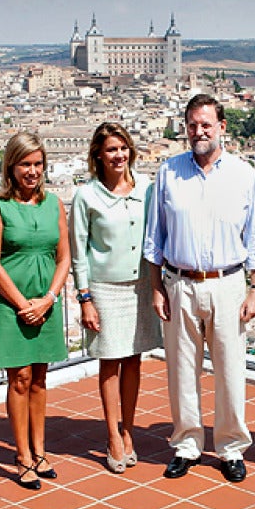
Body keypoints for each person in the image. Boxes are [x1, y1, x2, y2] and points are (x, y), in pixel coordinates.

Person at [143, 93, 255, 484]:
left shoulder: (244, 175)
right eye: (193, 125)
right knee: (182, 369)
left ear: (222, 128)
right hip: (179, 283)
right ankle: (187, 444)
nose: (199, 132)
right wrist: (156, 288)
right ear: (186, 128)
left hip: (228, 283)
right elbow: (154, 238)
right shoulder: (168, 173)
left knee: (231, 369)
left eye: (206, 124)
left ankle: (231, 447)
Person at [70, 122, 162, 473]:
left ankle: (129, 431)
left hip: (139, 286)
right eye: (111, 149)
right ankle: (112, 435)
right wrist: (85, 298)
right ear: (98, 154)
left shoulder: (146, 190)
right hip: (105, 288)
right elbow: (79, 252)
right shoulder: (86, 196)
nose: (119, 155)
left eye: (123, 148)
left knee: (134, 360)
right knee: (109, 361)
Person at [0, 131, 70, 490]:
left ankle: (40, 450)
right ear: (11, 167)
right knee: (18, 379)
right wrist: (22, 304)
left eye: (37, 164)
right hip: (11, 305)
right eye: (25, 164)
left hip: (46, 303)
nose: (32, 171)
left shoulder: (54, 204)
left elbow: (64, 257)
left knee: (39, 379)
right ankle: (22, 456)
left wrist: (48, 299)